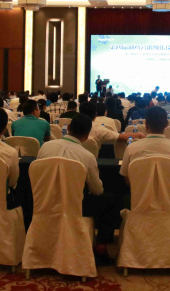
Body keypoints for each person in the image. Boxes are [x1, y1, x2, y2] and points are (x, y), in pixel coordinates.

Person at [38, 113, 119, 265]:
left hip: (44, 201)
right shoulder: (87, 156)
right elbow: (97, 191)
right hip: (75, 206)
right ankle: (101, 248)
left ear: (68, 128)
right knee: (110, 200)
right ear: (87, 136)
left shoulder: (45, 147)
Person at [120, 106, 170, 185]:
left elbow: (128, 179)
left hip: (139, 193)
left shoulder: (131, 148)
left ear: (146, 124)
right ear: (167, 124)